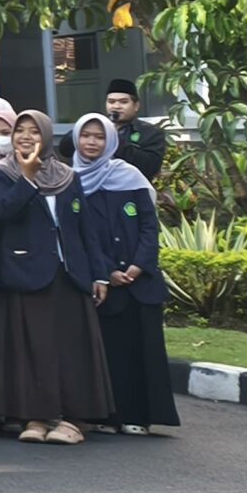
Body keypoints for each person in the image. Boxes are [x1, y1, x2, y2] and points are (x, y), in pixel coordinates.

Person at [0, 107, 113, 444]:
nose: (26, 137)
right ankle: (36, 417)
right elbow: (3, 212)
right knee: (33, 348)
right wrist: (27, 177)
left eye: (34, 131)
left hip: (69, 273)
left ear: (47, 136)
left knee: (71, 348)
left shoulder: (67, 176)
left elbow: (86, 229)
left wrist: (99, 273)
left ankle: (73, 419)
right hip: (24, 272)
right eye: (20, 131)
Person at [73, 113, 179, 435]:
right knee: (111, 353)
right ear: (76, 139)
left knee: (143, 351)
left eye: (99, 137)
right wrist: (106, 270)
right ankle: (108, 416)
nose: (92, 142)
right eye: (86, 136)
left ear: (111, 140)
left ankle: (140, 416)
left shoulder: (129, 176)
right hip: (104, 284)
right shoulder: (70, 181)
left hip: (141, 282)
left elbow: (149, 225)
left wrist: (139, 264)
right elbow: (78, 234)